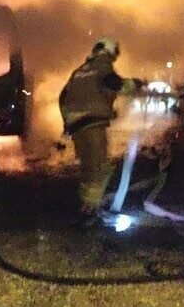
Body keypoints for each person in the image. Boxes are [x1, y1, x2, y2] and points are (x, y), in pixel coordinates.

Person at [59, 37, 144, 224]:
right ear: (110, 50)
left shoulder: (80, 70)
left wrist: (67, 123)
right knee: (100, 168)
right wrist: (135, 84)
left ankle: (86, 205)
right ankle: (90, 211)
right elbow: (113, 83)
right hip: (92, 124)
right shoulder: (103, 64)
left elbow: (63, 97)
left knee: (88, 167)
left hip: (76, 126)